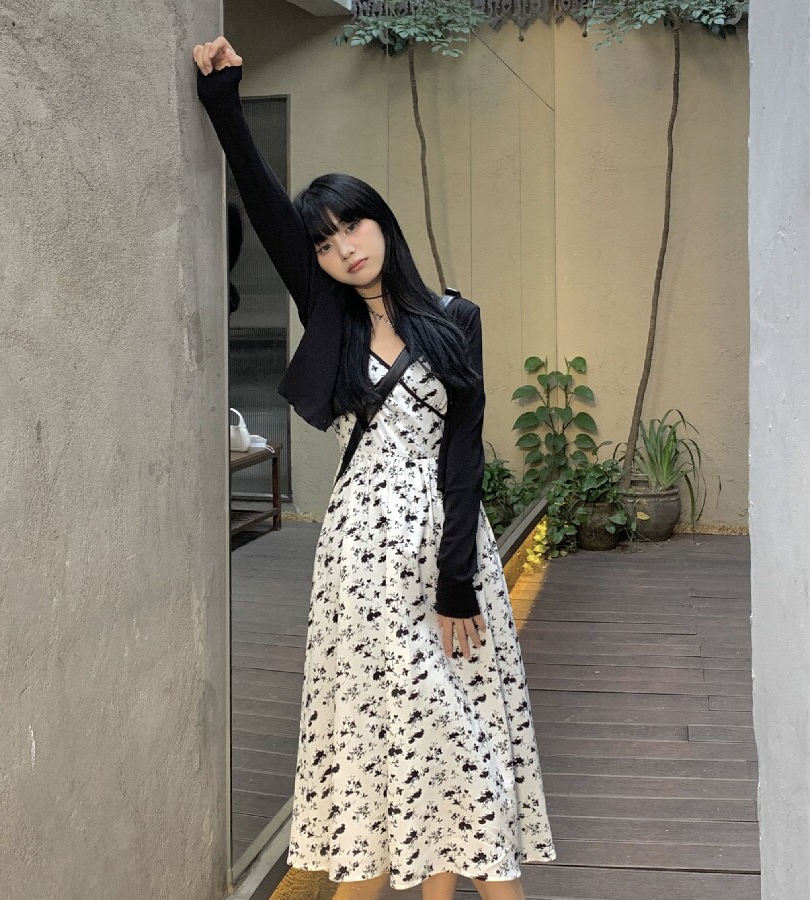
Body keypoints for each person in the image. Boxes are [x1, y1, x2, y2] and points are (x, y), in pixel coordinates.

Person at [193, 37, 556, 900]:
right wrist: (226, 101)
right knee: (402, 731)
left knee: (461, 731)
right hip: (360, 553)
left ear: (381, 223)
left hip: (450, 554)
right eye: (325, 244)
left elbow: (463, 450)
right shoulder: (332, 317)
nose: (344, 249)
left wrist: (458, 578)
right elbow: (265, 204)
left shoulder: (456, 318)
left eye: (352, 226)